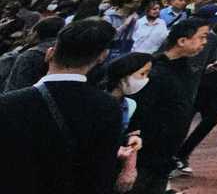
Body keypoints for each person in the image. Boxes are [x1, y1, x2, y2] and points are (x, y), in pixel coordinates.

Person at [0, 17, 135, 194]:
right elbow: (100, 173)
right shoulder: (107, 107)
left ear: (50, 53)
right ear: (102, 56)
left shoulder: (11, 102)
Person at [129, 17, 208, 194]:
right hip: (147, 151)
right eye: (201, 37)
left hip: (167, 150)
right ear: (182, 41)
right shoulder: (156, 70)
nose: (205, 42)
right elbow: (141, 111)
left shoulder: (185, 68)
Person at [176, 5, 217, 171]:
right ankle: (175, 155)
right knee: (183, 119)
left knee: (211, 118)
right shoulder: (207, 35)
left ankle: (183, 153)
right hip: (197, 85)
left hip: (215, 83)